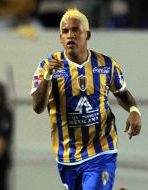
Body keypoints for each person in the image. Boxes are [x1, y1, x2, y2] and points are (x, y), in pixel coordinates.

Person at [30, 8, 142, 190]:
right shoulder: (47, 66)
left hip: (102, 149)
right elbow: (37, 107)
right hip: (67, 155)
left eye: (75, 30)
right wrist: (48, 76)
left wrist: (134, 110)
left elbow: (122, 93)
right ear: (60, 38)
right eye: (65, 32)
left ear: (87, 34)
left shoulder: (106, 64)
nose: (70, 35)